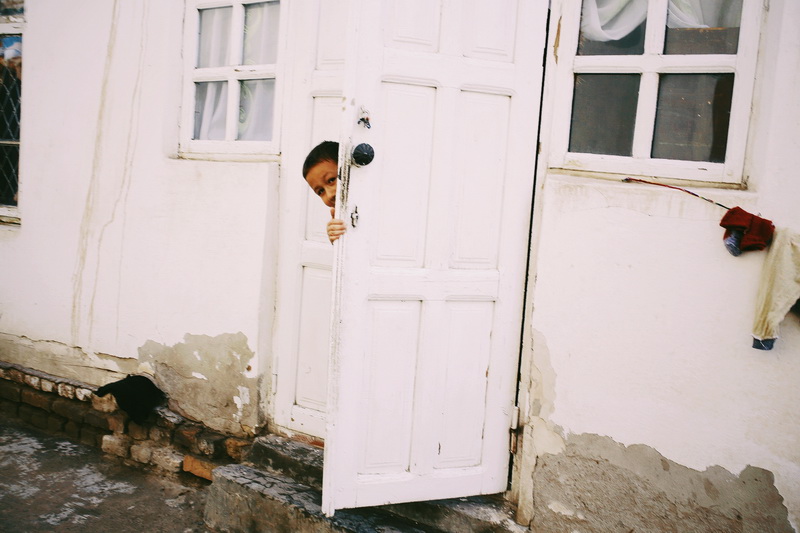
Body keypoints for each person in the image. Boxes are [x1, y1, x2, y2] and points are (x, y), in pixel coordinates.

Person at [302, 141, 346, 243]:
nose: (330, 194)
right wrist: (336, 238)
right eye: (320, 191)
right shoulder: (339, 219)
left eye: (331, 180)